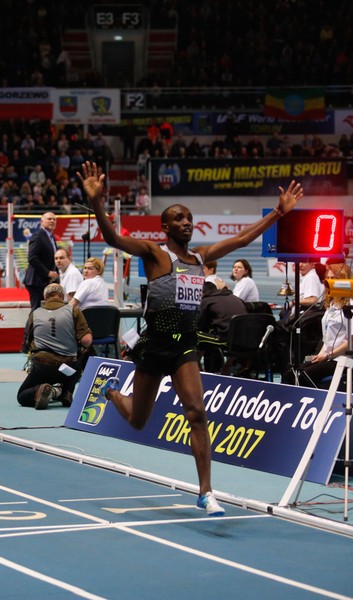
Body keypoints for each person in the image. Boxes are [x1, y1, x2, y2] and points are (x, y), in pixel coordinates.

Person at [80, 159, 304, 517]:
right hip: (155, 346)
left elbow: (243, 238)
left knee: (197, 412)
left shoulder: (202, 258)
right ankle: (111, 392)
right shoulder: (155, 254)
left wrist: (278, 211)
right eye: (179, 218)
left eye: (190, 218)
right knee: (138, 420)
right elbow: (112, 238)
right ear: (165, 226)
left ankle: (205, 492)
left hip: (185, 346)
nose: (187, 222)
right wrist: (95, 201)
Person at [18, 283, 92, 409]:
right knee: (84, 352)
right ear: (62, 296)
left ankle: (38, 390)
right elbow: (86, 340)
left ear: (45, 297)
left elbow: (27, 344)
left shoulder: (35, 313)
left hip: (43, 365)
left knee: (22, 395)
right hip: (69, 366)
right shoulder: (73, 310)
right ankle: (67, 391)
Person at [284, 259, 353, 388]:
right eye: (327, 278)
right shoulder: (331, 306)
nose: (329, 281)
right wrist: (321, 354)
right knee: (291, 374)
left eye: (333, 278)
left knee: (303, 376)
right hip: (328, 357)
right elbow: (327, 337)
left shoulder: (351, 306)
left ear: (343, 280)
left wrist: (328, 355)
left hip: (342, 360)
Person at [197, 281, 248, 373]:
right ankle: (226, 365)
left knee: (193, 335)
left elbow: (199, 326)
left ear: (201, 293)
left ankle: (195, 367)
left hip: (225, 341)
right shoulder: (236, 298)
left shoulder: (206, 301)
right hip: (245, 340)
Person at [23, 212, 59, 310]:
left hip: (45, 281)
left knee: (44, 311)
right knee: (37, 311)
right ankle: (30, 326)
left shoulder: (51, 237)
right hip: (36, 281)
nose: (52, 221)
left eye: (54, 219)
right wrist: (47, 273)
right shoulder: (38, 236)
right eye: (49, 219)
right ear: (42, 222)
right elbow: (32, 258)